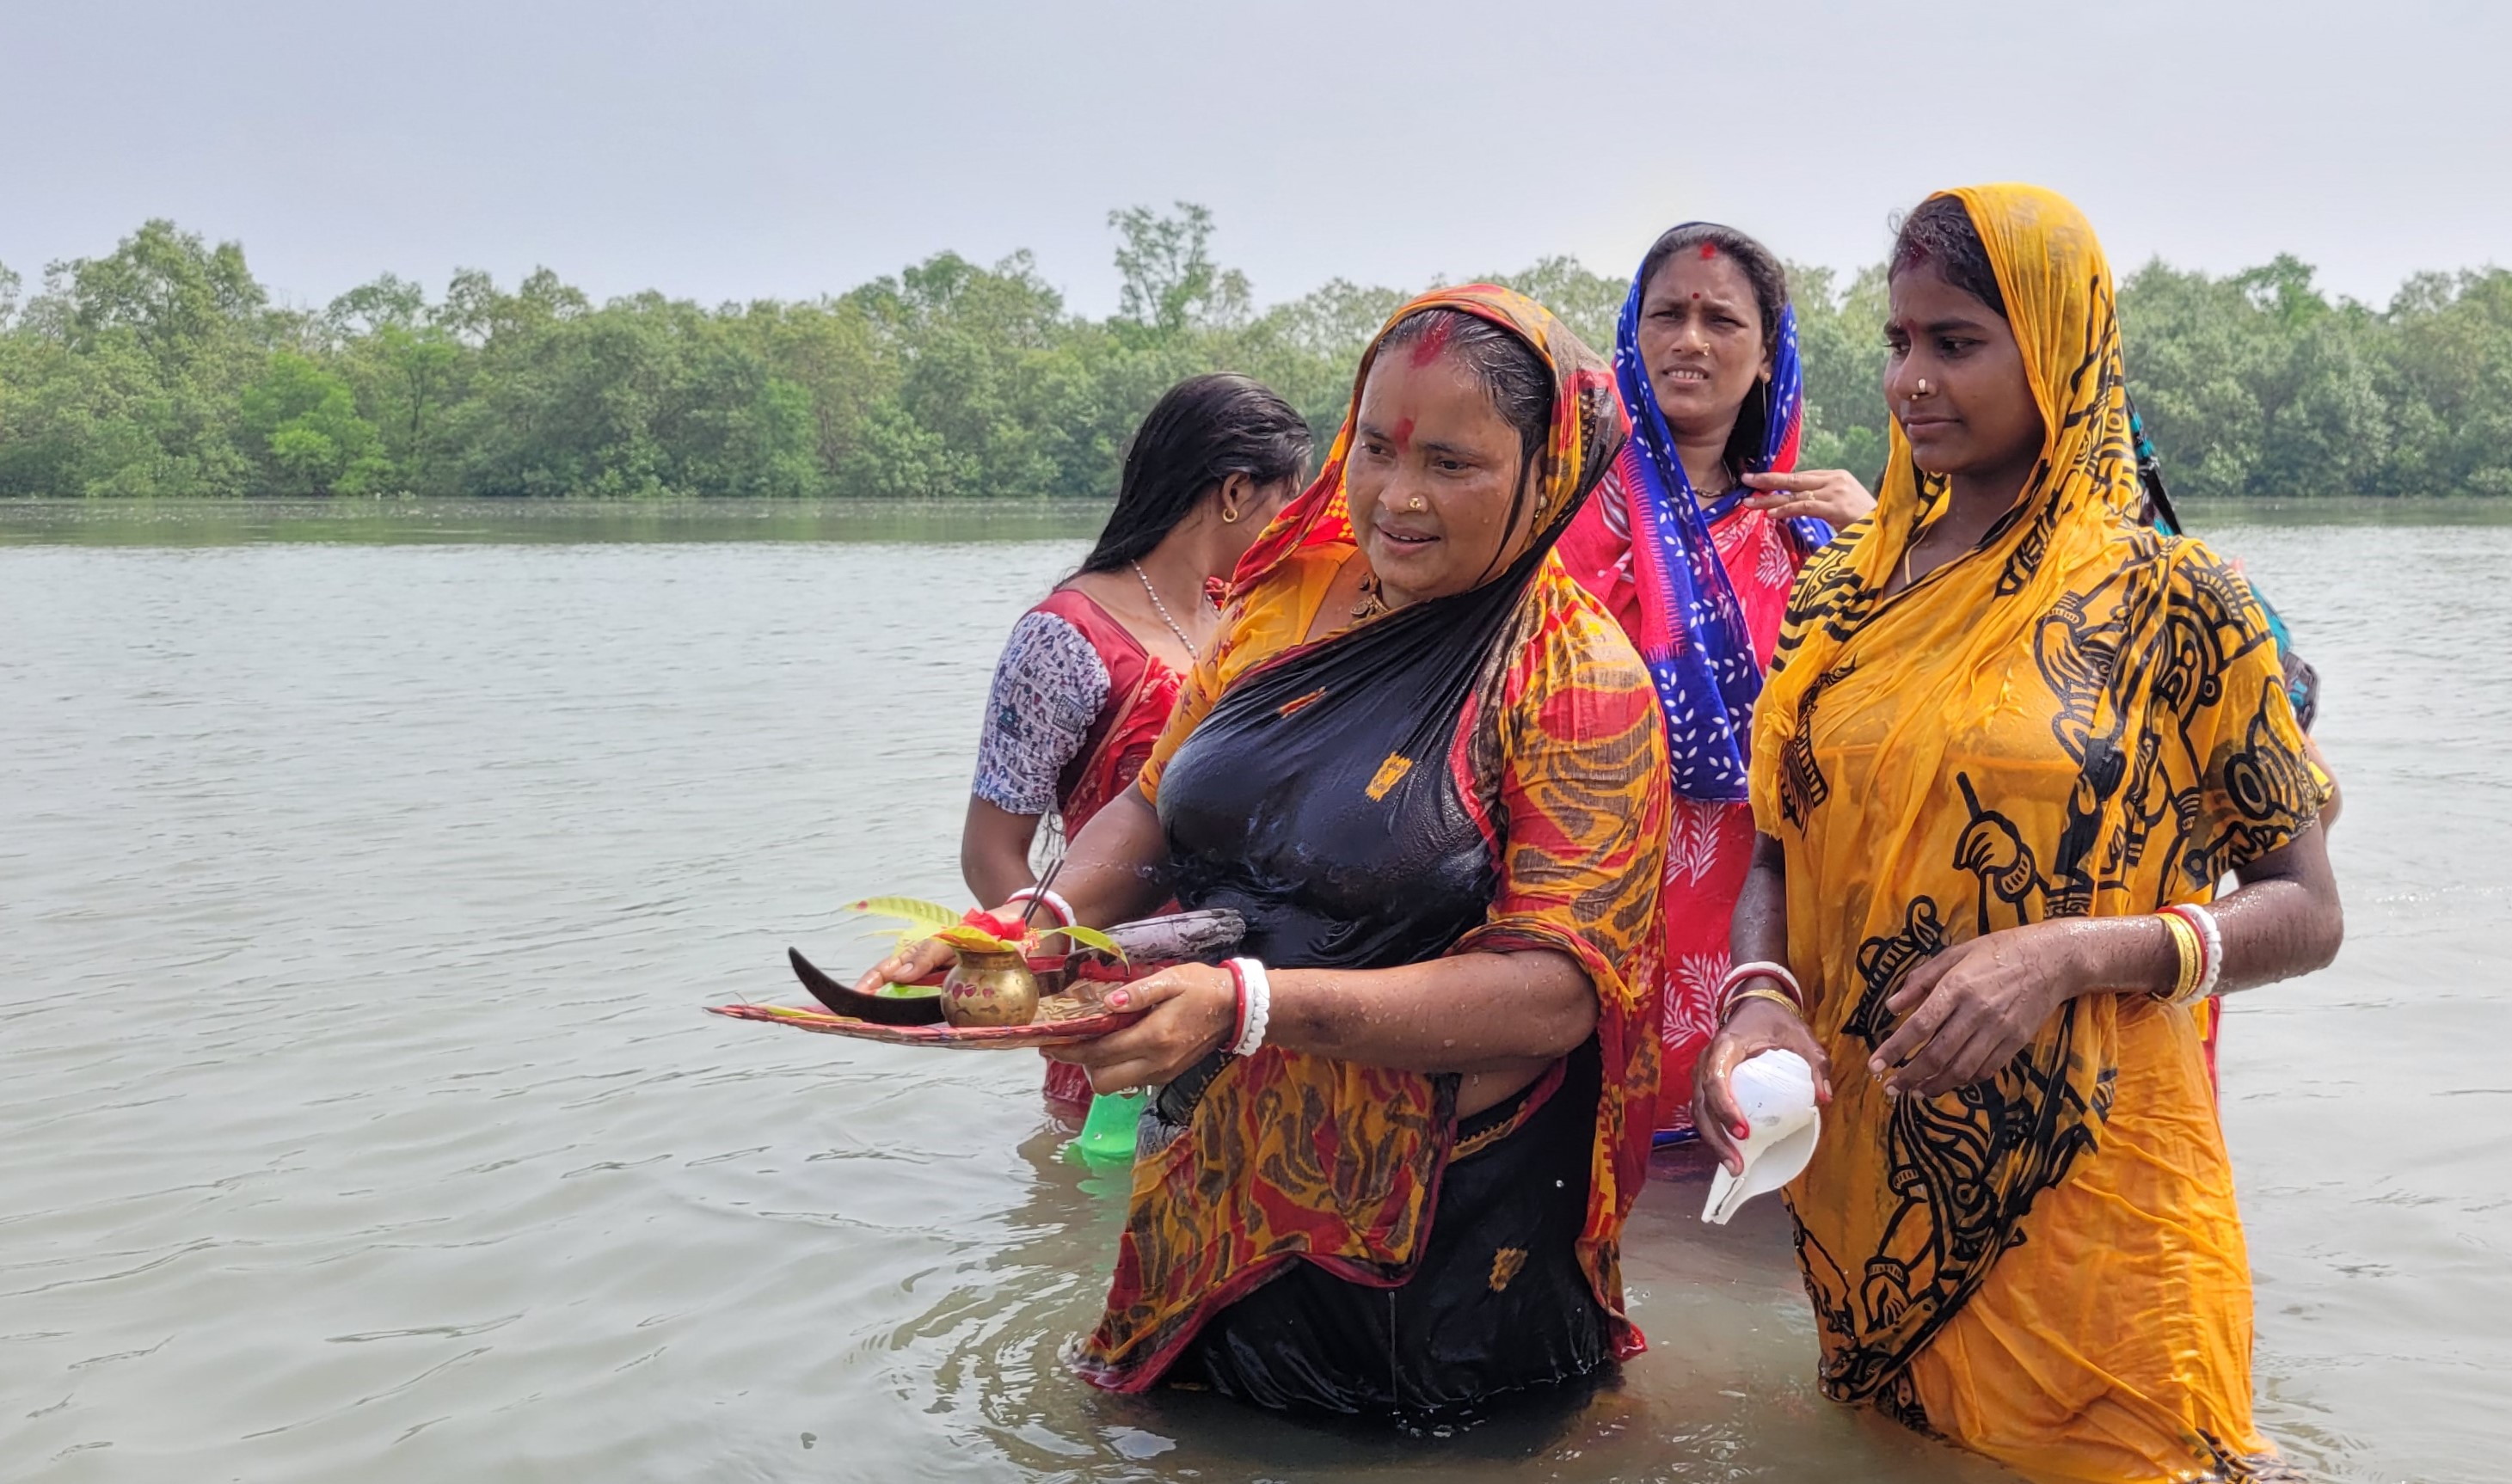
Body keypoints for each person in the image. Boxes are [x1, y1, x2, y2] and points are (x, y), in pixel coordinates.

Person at [877, 285, 1668, 1414]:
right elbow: (1154, 804)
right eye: (1377, 447)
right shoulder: (1284, 603)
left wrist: (1248, 1005)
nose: (1397, 496)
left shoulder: (1575, 680)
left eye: (1451, 463)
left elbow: (1554, 994)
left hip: (1433, 1228)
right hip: (1211, 1174)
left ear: (1546, 475)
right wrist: (1035, 923)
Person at [1693, 186, 2343, 1481]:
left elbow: (2307, 909)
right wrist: (1757, 1002)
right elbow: (1776, 847)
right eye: (1898, 341)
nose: (1911, 381)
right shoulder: (1840, 595)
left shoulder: (2177, 600)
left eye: (1956, 343)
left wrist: (2069, 954)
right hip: (1868, 1196)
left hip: (2097, 1193)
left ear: (2056, 347)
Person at [1555, 224, 1876, 1139]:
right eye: (1666, 315)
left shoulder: (1814, 532)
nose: (1689, 340)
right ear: (1631, 334)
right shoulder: (1557, 508)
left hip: (1759, 915)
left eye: (1721, 321)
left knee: (1747, 1153)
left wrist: (1886, 542)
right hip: (1586, 894)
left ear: (1769, 354)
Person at [956, 373, 1308, 1112]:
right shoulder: (1065, 637)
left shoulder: (1247, 617)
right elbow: (990, 850)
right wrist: (1064, 973)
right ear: (1236, 492)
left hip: (1245, 999)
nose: (1296, 524)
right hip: (1117, 1002)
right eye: (1289, 499)